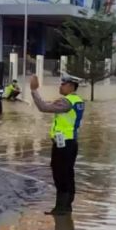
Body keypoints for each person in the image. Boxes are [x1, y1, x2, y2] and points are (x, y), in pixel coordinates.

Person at [30, 74, 85, 215]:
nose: (60, 86)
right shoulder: (77, 100)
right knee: (67, 173)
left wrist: (34, 90)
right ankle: (66, 206)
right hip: (70, 142)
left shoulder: (66, 102)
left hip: (64, 144)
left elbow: (43, 107)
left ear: (71, 86)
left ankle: (62, 208)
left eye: (63, 84)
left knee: (60, 174)